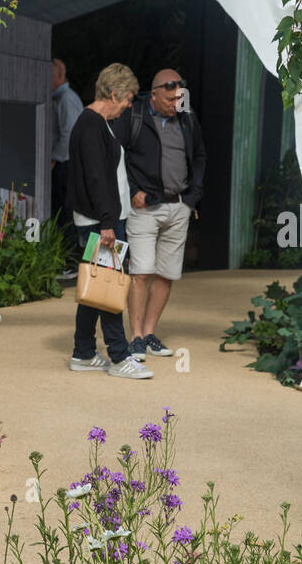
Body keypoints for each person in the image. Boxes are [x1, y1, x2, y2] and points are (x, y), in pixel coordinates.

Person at [110, 68, 206, 360]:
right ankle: (136, 336)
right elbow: (116, 153)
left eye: (179, 97)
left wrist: (193, 196)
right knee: (141, 272)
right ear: (153, 94)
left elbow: (200, 155)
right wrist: (134, 189)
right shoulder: (135, 115)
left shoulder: (187, 118)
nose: (175, 102)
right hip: (144, 208)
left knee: (166, 274)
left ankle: (149, 332)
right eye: (169, 98)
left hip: (179, 206)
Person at [67, 64, 152, 380]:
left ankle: (83, 353)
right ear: (114, 93)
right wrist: (106, 224)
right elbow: (96, 179)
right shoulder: (91, 126)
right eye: (128, 98)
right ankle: (119, 357)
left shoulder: (96, 124)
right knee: (112, 287)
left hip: (101, 219)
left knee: (96, 286)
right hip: (101, 222)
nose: (130, 104)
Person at [51, 58, 85, 279]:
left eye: (49, 74)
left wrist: (53, 158)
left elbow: (70, 135)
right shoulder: (59, 98)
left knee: (67, 213)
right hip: (64, 163)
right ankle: (67, 261)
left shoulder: (66, 99)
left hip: (67, 164)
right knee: (62, 213)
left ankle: (72, 263)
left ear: (60, 74)